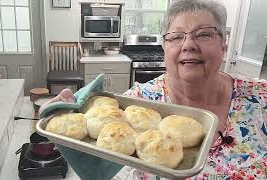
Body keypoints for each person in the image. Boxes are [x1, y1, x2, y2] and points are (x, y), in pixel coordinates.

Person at [40, 0, 267, 179]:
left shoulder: (261, 98)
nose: (188, 44)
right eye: (176, 36)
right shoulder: (134, 107)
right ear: (164, 48)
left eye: (204, 34)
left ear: (224, 46)